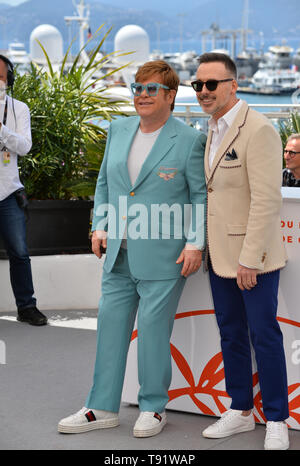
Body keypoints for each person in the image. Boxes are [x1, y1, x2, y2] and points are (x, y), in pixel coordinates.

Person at [58, 60, 206, 437]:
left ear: (170, 96)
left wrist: (195, 243)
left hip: (165, 254)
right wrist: (99, 225)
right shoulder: (118, 129)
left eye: (150, 89)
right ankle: (100, 406)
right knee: (109, 329)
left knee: (153, 334)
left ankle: (154, 407)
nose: (141, 95)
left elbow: (199, 195)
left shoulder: (188, 139)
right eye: (137, 88)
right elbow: (106, 183)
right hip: (118, 252)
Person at [191, 52, 289, 450]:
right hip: (219, 256)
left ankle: (278, 418)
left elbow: (267, 201)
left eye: (211, 84)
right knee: (230, 334)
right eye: (197, 85)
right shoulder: (211, 129)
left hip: (254, 259)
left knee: (264, 336)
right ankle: (241, 410)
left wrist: (251, 257)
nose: (203, 92)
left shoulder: (260, 129)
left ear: (234, 84)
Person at [0, 55, 47, 326]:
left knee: (19, 252)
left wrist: (2, 131)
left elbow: (25, 146)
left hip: (8, 193)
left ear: (10, 79)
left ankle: (27, 307)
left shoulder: (19, 109)